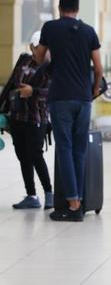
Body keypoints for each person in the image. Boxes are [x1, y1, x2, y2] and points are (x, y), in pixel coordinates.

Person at [33, 0, 103, 222]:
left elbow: (40, 59)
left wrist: (34, 49)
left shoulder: (50, 28)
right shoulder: (88, 30)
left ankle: (73, 204)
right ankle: (79, 202)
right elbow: (99, 66)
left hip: (61, 96)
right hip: (83, 98)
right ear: (77, 8)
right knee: (79, 150)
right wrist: (93, 89)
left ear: (59, 7)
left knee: (64, 149)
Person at [6, 32, 53, 210]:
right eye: (37, 47)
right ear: (32, 47)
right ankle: (31, 195)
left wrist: (33, 91)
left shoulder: (51, 66)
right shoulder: (24, 62)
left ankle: (49, 192)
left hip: (36, 117)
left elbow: (52, 92)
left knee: (36, 154)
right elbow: (14, 84)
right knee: (23, 156)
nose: (40, 50)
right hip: (18, 116)